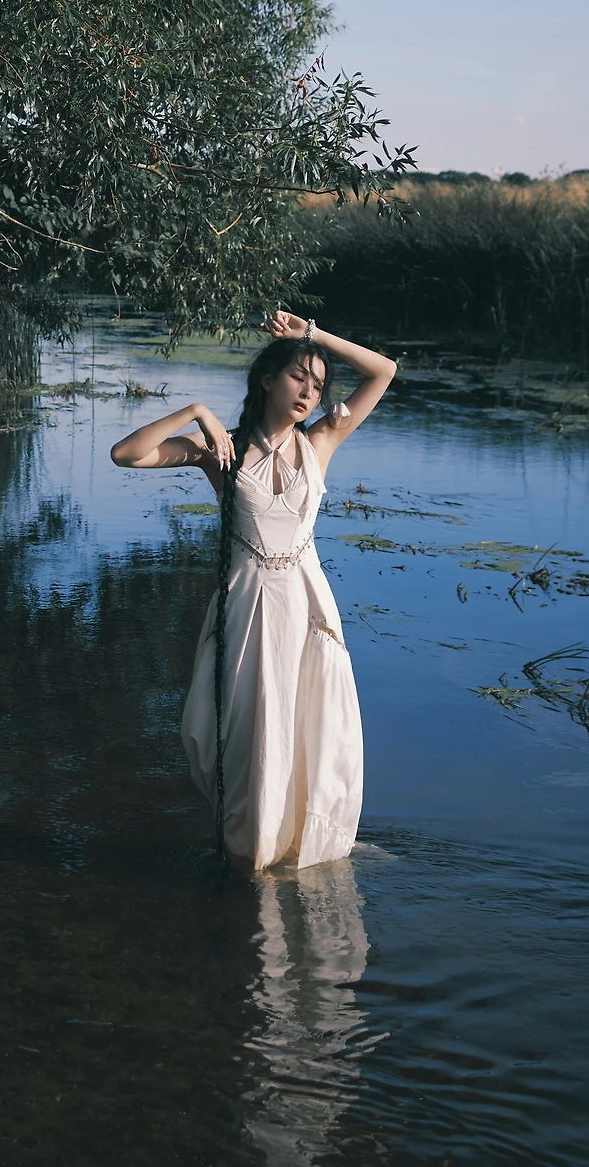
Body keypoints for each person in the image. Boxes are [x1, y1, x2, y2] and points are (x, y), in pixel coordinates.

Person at [110, 310, 397, 868]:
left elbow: (383, 370)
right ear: (267, 380)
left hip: (309, 614)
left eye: (317, 386)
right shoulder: (224, 451)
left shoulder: (322, 442)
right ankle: (254, 856)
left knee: (314, 734)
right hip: (248, 611)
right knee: (251, 737)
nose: (308, 393)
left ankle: (301, 850)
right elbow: (126, 454)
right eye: (298, 377)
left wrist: (312, 336)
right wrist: (197, 413)